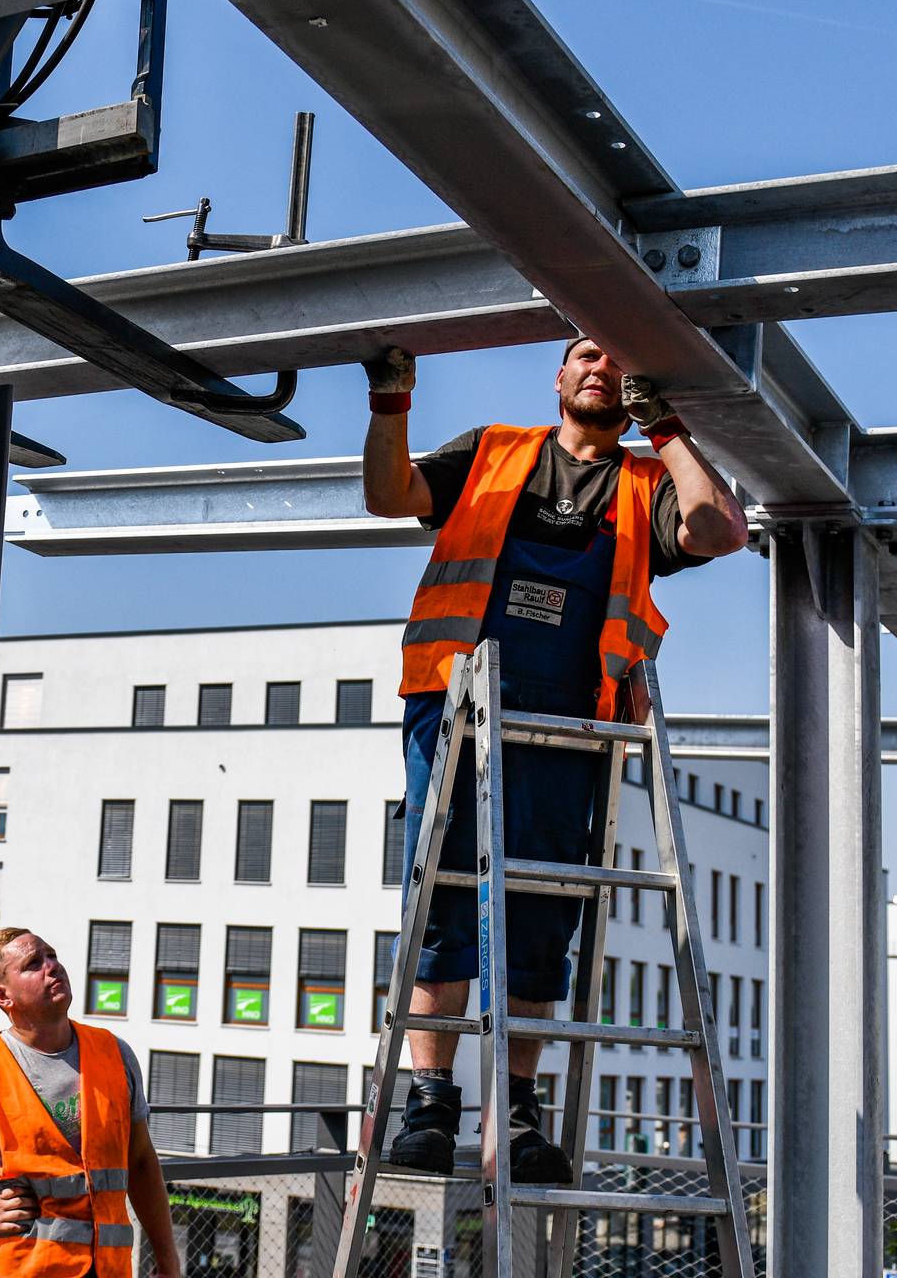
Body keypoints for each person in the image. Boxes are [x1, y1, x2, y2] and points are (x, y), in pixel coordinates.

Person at [360, 337, 746, 1183]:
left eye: (617, 357)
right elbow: (390, 495)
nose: (601, 364)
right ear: (560, 378)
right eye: (584, 354)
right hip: (456, 704)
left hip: (570, 723)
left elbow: (719, 530)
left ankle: (519, 1113)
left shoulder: (645, 484)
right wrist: (391, 401)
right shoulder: (491, 452)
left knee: (541, 915)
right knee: (442, 901)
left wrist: (668, 427)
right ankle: (431, 1103)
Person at [0, 927, 182, 1277]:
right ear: (4, 996)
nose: (53, 966)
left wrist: (168, 1260)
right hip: (13, 1269)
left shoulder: (114, 1053)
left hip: (106, 1269)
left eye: (52, 955)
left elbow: (139, 1163)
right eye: (33, 964)